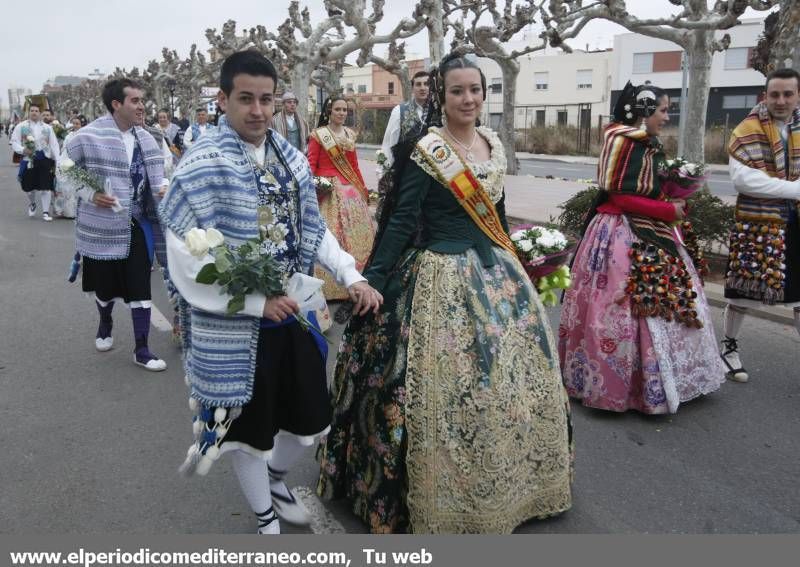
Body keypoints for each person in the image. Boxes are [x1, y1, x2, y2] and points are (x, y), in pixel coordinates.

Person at [317, 54, 573, 534]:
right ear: (442, 94)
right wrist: (371, 277)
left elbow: (496, 216)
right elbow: (399, 219)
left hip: (495, 273)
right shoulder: (427, 149)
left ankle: (515, 480)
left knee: (506, 377)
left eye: (475, 89)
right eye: (457, 91)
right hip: (438, 275)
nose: (468, 99)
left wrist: (526, 255)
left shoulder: (492, 144)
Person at [159, 50, 383, 535]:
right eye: (245, 99)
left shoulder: (289, 157)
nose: (257, 110)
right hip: (233, 323)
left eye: (266, 99)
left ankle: (277, 478)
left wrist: (350, 274)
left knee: (309, 421)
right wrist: (258, 301)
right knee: (246, 430)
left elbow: (311, 229)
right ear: (222, 100)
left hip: (294, 311)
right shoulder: (201, 164)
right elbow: (185, 252)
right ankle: (265, 518)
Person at [558, 81, 726, 414]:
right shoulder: (622, 141)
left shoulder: (644, 143)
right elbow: (620, 195)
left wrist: (673, 195)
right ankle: (622, 384)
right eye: (663, 109)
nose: (666, 116)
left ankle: (664, 377)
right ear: (646, 110)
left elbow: (644, 187)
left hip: (645, 228)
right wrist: (668, 211)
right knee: (625, 304)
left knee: (662, 298)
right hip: (620, 232)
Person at [61, 78, 169, 372]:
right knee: (105, 287)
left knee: (139, 284)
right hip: (102, 226)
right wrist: (91, 193)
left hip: (137, 221)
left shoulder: (149, 138)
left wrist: (163, 188)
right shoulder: (87, 136)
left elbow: (161, 173)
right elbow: (64, 171)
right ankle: (105, 320)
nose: (141, 106)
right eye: (135, 101)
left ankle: (142, 348)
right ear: (116, 105)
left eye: (142, 101)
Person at [720, 68, 800, 382]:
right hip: (757, 227)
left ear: (797, 95)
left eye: (788, 93)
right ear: (765, 96)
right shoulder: (746, 129)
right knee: (742, 294)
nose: (780, 100)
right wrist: (795, 189)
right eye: (774, 94)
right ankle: (729, 350)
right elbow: (745, 181)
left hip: (794, 225)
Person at [307, 95, 376, 305]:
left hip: (351, 194)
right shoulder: (319, 135)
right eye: (337, 109)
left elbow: (354, 167)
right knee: (332, 236)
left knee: (358, 238)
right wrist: (316, 187)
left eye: (345, 110)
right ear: (329, 111)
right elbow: (311, 164)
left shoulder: (349, 135)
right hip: (329, 193)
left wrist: (363, 191)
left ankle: (356, 281)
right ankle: (330, 287)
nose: (341, 113)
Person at [11, 103, 60, 221]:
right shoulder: (21, 126)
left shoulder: (47, 128)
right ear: (29, 112)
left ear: (40, 113)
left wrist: (57, 160)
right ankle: (32, 203)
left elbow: (54, 144)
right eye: (32, 110)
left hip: (45, 159)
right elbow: (14, 141)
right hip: (29, 160)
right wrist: (23, 150)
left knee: (46, 187)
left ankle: (45, 212)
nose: (34, 112)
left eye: (36, 111)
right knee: (29, 188)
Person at [380, 70, 429, 168]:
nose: (423, 88)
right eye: (418, 84)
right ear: (412, 88)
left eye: (427, 84)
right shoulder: (399, 111)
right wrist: (383, 171)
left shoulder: (441, 112)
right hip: (407, 173)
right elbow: (388, 144)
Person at [54, 115, 87, 219]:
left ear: (82, 125)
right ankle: (65, 211)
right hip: (67, 161)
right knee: (66, 188)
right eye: (74, 123)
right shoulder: (68, 135)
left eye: (78, 123)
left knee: (77, 188)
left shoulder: (85, 135)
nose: (75, 125)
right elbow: (64, 148)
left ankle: (77, 211)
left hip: (79, 163)